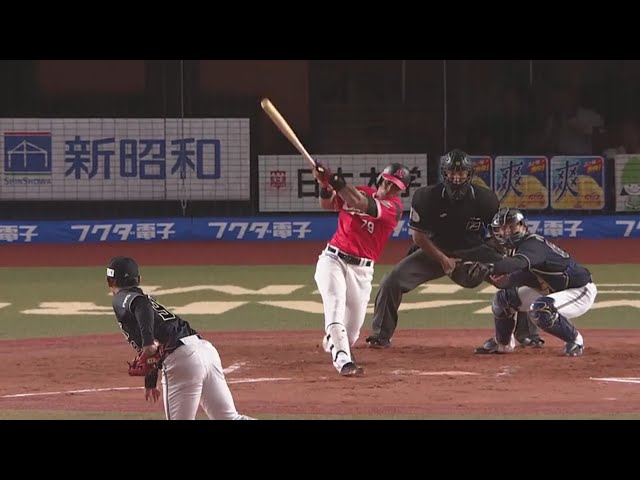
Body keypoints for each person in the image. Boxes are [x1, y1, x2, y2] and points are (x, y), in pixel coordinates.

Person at [365, 149, 543, 349]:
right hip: (435, 250)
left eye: (461, 172)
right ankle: (381, 335)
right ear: (444, 173)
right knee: (391, 281)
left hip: (476, 250)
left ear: (469, 174)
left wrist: (499, 261)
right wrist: (443, 260)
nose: (457, 177)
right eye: (452, 172)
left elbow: (496, 235)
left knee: (519, 279)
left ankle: (527, 334)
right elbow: (418, 236)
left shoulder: (486, 198)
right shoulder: (425, 196)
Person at [106, 255, 254, 420]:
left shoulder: (122, 298)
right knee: (229, 418)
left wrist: (147, 343)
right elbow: (154, 351)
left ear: (109, 282)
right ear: (138, 280)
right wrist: (150, 381)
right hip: (205, 350)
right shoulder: (141, 301)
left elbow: (141, 305)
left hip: (182, 359)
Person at [312, 161, 410, 376]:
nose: (389, 188)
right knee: (335, 307)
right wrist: (324, 185)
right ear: (381, 179)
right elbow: (327, 204)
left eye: (395, 187)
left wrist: (334, 180)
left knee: (351, 334)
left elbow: (360, 203)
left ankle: (335, 341)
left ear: (400, 191)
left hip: (362, 271)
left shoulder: (393, 209)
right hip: (333, 259)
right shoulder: (361, 191)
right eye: (387, 182)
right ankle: (343, 361)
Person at [466, 208, 597, 356]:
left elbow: (518, 263)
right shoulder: (514, 249)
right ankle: (503, 344)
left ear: (523, 226)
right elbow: (518, 277)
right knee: (503, 299)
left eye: (511, 227)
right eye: (502, 228)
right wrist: (497, 277)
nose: (507, 232)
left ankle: (575, 340)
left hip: (579, 291)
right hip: (551, 289)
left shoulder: (533, 243)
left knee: (541, 309)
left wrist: (491, 267)